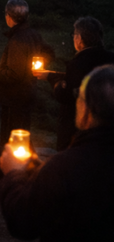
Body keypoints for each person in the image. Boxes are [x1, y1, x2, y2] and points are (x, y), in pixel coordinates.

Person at [0, 66, 114, 242]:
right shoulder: (66, 166)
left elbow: (24, 222)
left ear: (86, 108)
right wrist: (37, 168)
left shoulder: (67, 166)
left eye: (79, 97)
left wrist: (13, 175)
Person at [0, 0, 54, 181]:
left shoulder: (18, 39)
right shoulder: (33, 34)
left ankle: (11, 182)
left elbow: (13, 75)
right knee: (23, 139)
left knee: (12, 143)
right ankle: (33, 176)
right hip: (27, 94)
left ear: (9, 17)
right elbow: (49, 52)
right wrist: (35, 65)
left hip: (14, 98)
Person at [50, 16, 114, 150]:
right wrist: (51, 75)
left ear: (79, 38)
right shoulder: (110, 59)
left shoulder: (78, 63)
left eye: (74, 35)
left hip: (76, 131)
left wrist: (57, 85)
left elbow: (67, 95)